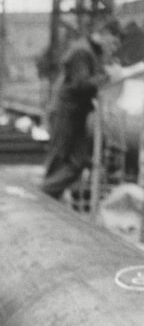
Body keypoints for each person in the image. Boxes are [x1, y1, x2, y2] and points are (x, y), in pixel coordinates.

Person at [41, 19, 122, 200]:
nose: (114, 47)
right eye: (113, 42)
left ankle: (47, 196)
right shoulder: (82, 51)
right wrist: (106, 76)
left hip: (76, 114)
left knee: (78, 161)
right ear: (105, 33)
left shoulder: (91, 52)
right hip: (66, 113)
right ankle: (43, 198)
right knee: (60, 159)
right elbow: (81, 84)